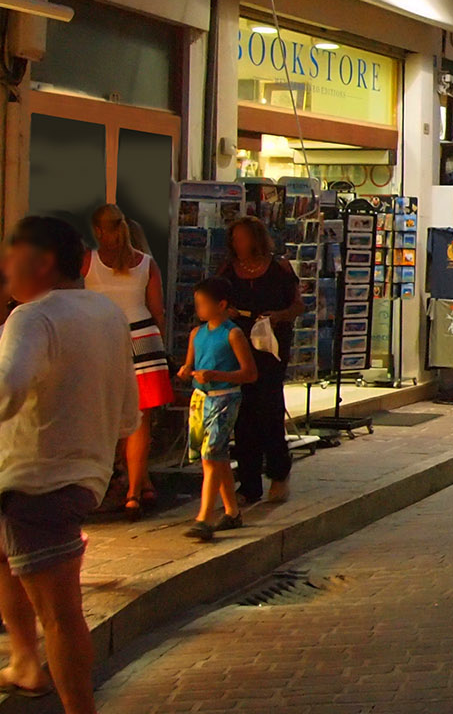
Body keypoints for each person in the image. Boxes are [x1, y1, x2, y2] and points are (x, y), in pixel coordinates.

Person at [0, 216, 140, 711]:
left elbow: (7, 388)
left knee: (60, 614)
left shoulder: (31, 317)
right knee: (8, 562)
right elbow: (129, 411)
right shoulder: (106, 313)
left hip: (35, 481)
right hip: (84, 476)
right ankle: (23, 660)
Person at [83, 204, 171, 516]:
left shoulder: (87, 261)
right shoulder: (146, 263)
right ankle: (136, 490)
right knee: (141, 419)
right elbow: (157, 309)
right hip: (143, 340)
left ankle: (109, 483)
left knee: (104, 417)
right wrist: (162, 346)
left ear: (97, 230)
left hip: (102, 340)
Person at [219, 216, 302, 506]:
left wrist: (278, 316)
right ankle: (249, 481)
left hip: (269, 345)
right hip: (238, 343)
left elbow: (297, 304)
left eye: (243, 238)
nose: (238, 245)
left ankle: (278, 471)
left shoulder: (278, 267)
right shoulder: (229, 270)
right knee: (243, 413)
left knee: (268, 408)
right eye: (235, 240)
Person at [177, 280, 255, 541]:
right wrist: (186, 371)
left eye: (202, 304)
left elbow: (249, 373)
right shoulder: (196, 334)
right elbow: (190, 363)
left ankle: (204, 516)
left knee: (211, 455)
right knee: (214, 455)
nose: (198, 308)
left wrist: (217, 374)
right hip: (201, 399)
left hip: (225, 398)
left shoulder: (233, 334)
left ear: (220, 305)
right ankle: (231, 511)